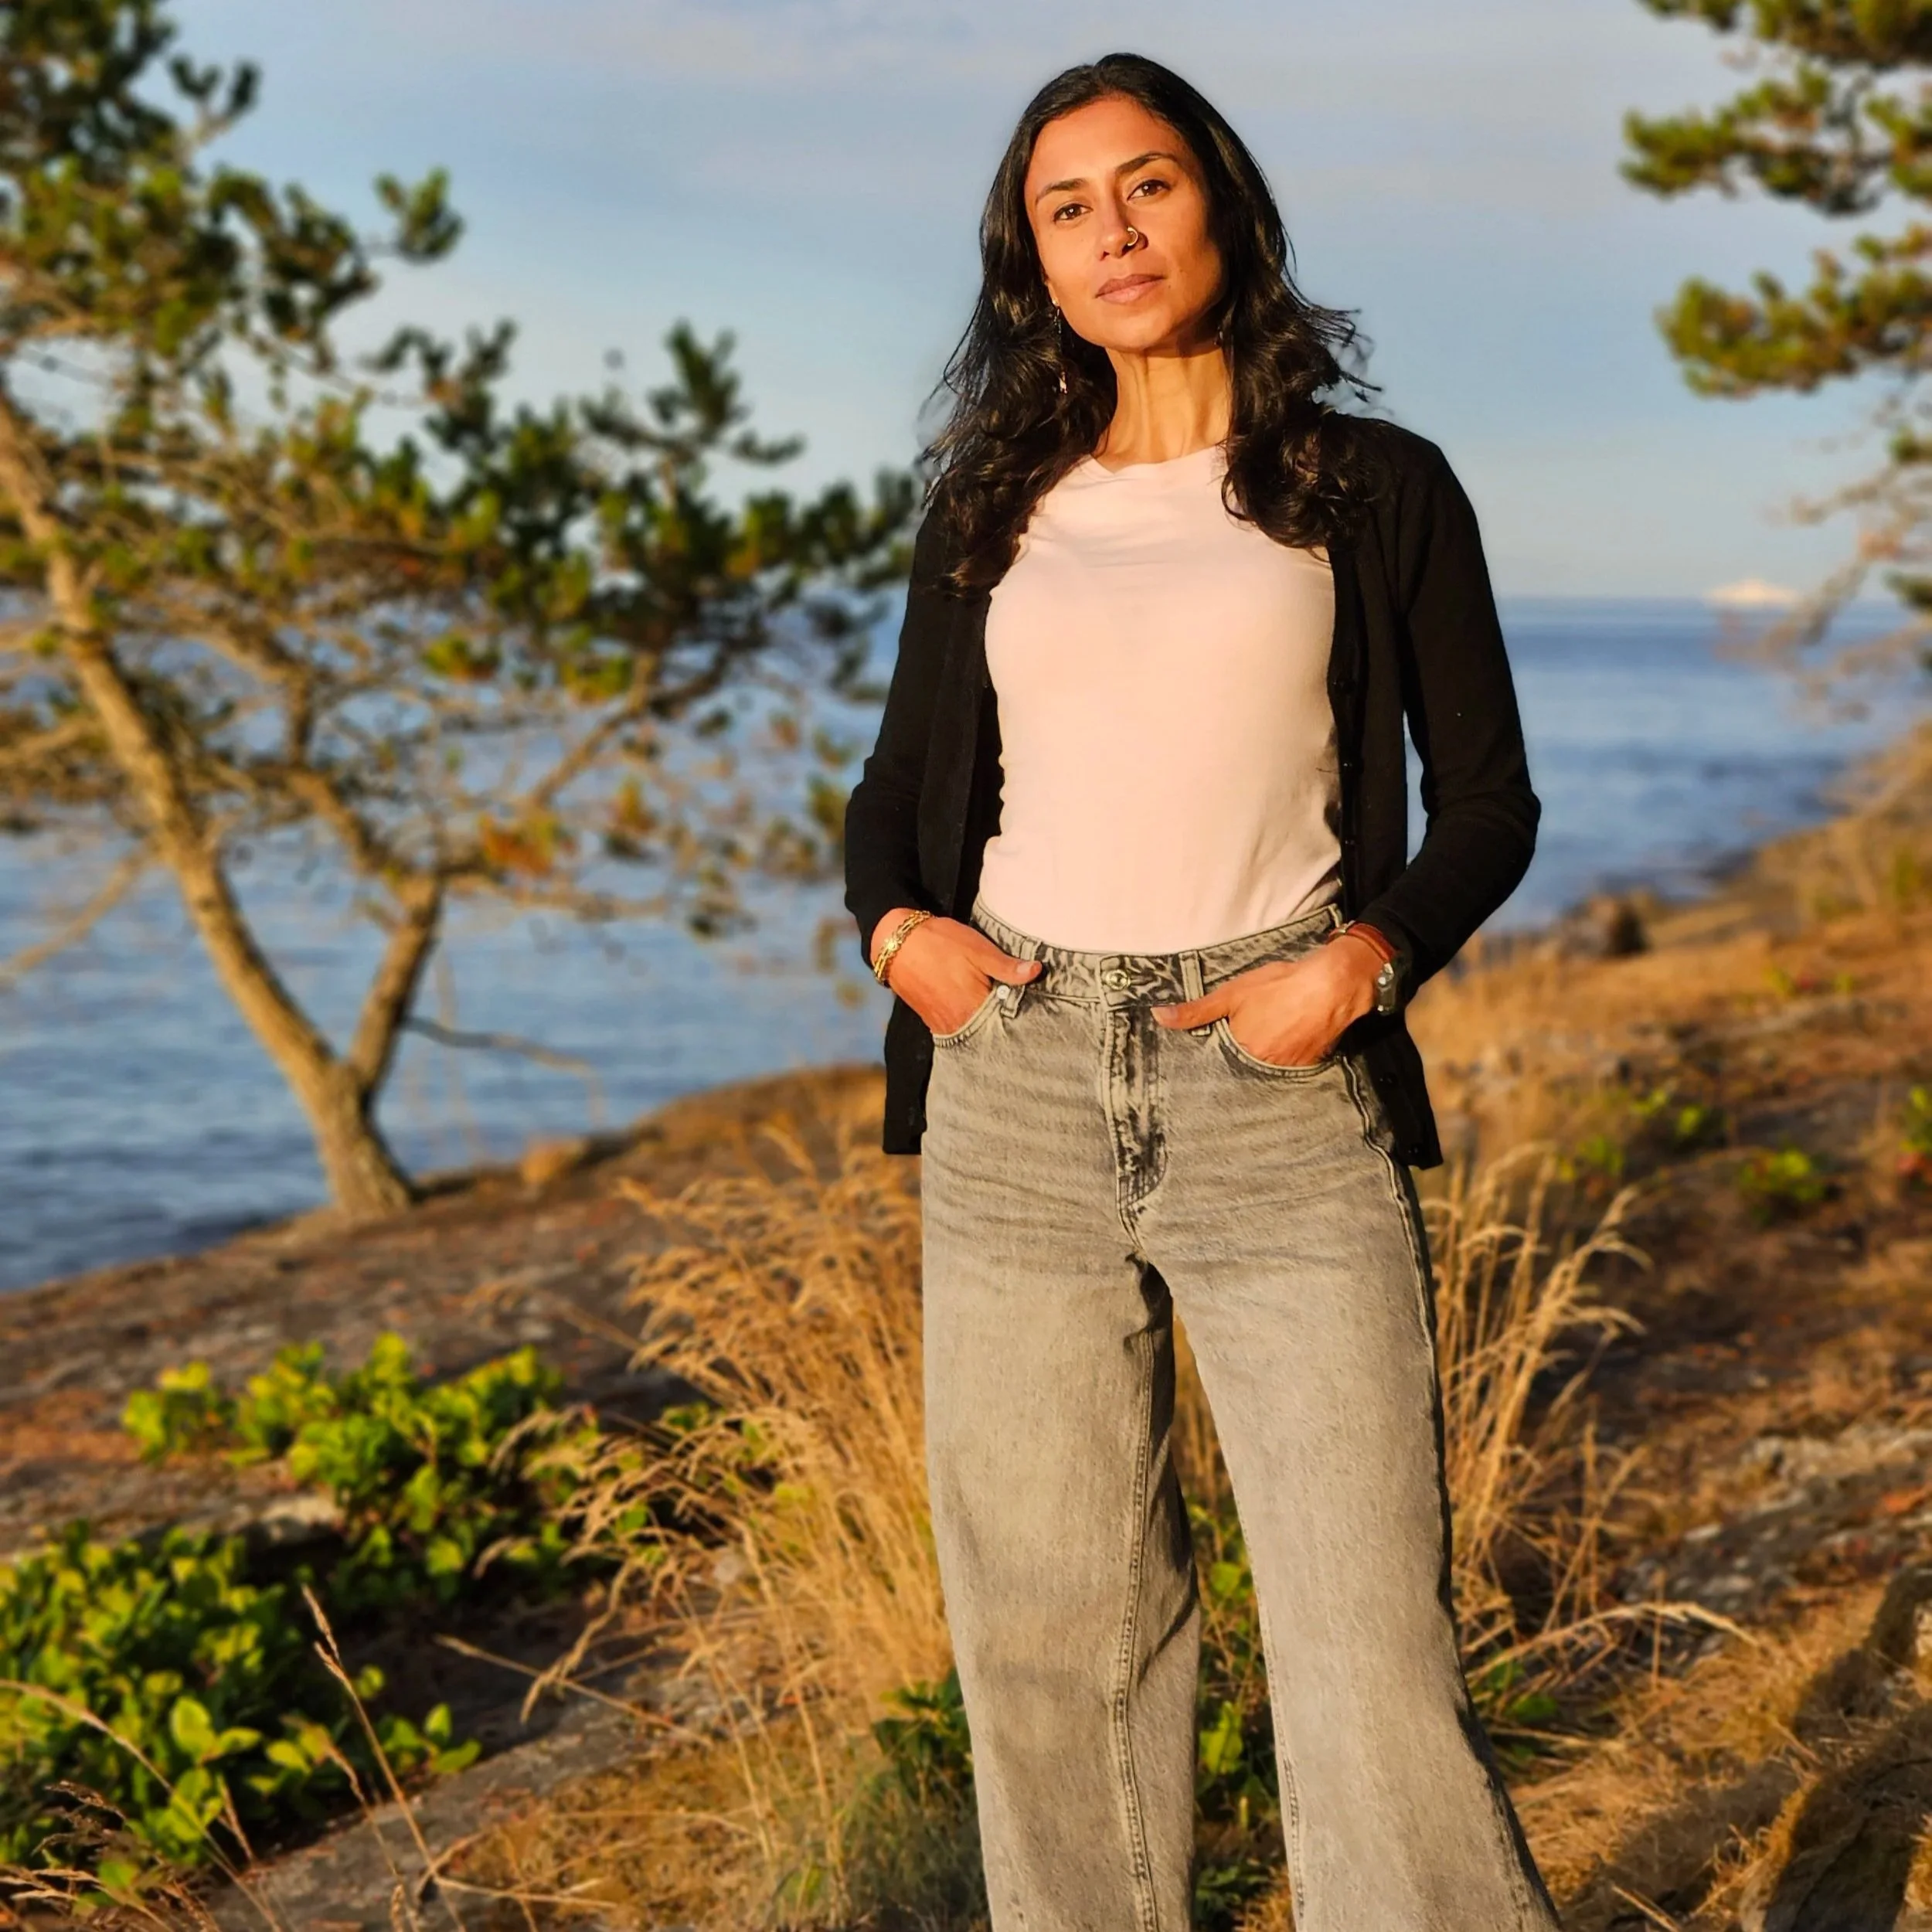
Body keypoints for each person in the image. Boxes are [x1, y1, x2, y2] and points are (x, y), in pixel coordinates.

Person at [843, 50, 1560, 1932]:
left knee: (1364, 1646)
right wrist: (898, 941)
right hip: (1012, 1082)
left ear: (1219, 202)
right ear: (1034, 262)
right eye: (1066, 208)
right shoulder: (990, 500)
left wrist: (1361, 962)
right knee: (1052, 1643)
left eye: (1144, 186)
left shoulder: (1372, 487)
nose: (1113, 233)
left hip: (1277, 1080)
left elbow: (1485, 800)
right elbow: (892, 785)